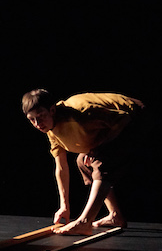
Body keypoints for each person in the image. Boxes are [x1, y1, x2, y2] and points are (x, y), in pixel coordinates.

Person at [22, 89, 149, 235]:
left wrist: (96, 149)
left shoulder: (81, 113)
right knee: (83, 162)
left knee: (99, 162)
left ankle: (84, 222)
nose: (38, 123)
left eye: (41, 116)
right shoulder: (51, 130)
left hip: (135, 116)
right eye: (32, 119)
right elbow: (61, 166)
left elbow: (123, 119)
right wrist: (64, 206)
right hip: (111, 126)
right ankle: (116, 216)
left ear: (52, 110)